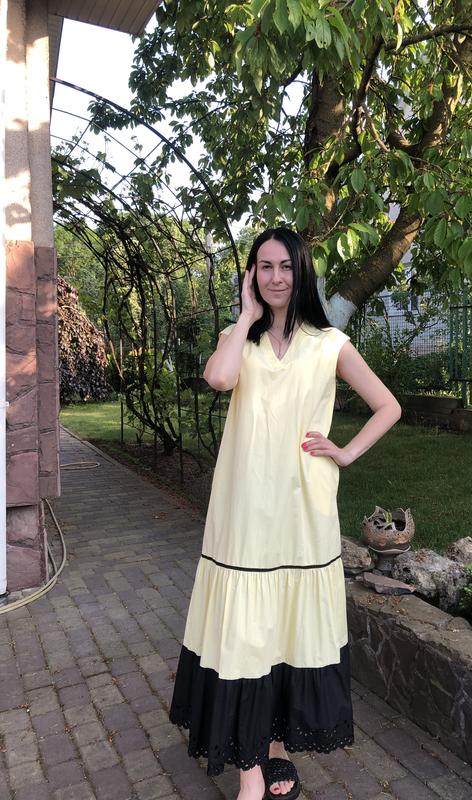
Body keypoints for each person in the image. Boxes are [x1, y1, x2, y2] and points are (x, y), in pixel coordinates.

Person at [169, 227, 402, 800]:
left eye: (285, 267)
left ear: (302, 272)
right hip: (245, 510)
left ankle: (276, 749)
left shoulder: (329, 344)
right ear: (252, 275)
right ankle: (251, 770)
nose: (276, 277)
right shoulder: (237, 338)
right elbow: (218, 379)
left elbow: (387, 405)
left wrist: (344, 453)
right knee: (247, 634)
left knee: (289, 631)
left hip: (304, 508)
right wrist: (246, 316)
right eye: (264, 267)